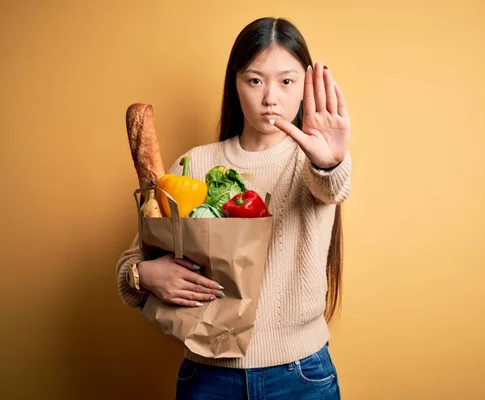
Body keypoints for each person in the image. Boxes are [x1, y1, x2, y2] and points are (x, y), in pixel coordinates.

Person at [116, 16, 352, 400]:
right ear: (235, 85)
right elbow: (130, 263)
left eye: (287, 81)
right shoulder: (195, 165)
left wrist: (330, 161)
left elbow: (332, 186)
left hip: (301, 376)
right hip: (208, 379)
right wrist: (144, 274)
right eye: (255, 80)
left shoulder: (311, 162)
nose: (270, 97)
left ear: (306, 88)